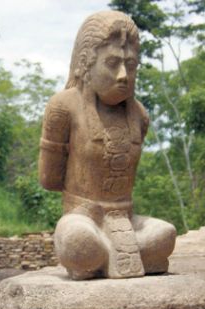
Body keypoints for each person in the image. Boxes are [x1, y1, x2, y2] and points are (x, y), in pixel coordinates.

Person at [38, 10, 176, 280]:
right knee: (78, 242)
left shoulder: (139, 114)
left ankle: (106, 255)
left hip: (126, 220)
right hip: (82, 217)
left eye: (131, 65)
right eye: (112, 63)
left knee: (166, 234)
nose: (123, 75)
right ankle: (101, 255)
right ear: (86, 63)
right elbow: (48, 179)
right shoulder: (63, 106)